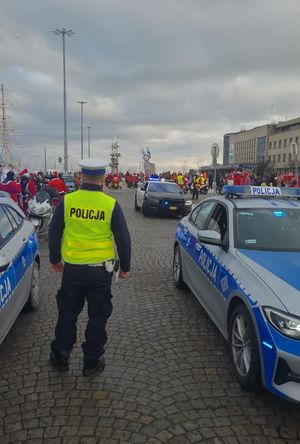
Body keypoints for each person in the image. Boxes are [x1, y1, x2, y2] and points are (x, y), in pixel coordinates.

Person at [48, 159, 131, 376]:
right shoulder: (110, 204)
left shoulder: (68, 201)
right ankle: (92, 361)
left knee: (67, 312)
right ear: (103, 178)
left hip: (73, 270)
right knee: (98, 316)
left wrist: (55, 260)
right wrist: (126, 267)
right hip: (100, 272)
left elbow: (54, 233)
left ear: (81, 177)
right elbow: (123, 239)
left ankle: (61, 355)